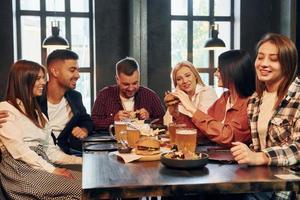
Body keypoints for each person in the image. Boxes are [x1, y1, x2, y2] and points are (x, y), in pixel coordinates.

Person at [231, 33, 299, 200]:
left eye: (273, 59)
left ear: (287, 64)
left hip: (290, 187)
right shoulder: (256, 99)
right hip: (264, 182)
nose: (264, 64)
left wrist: (262, 156)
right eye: (260, 57)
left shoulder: (297, 96)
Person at [0, 60, 81, 199]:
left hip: (41, 163)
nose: (44, 82)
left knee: (89, 184)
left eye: (43, 78)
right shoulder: (6, 108)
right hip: (20, 169)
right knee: (81, 189)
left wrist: (82, 161)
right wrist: (52, 169)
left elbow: (50, 151)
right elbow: (19, 150)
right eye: (38, 78)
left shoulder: (39, 114)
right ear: (23, 81)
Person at [168, 50, 255, 147]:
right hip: (217, 157)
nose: (215, 74)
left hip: (236, 160)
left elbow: (228, 136)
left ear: (232, 72)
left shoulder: (250, 103)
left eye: (219, 70)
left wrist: (191, 107)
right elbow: (202, 131)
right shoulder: (225, 98)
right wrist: (177, 114)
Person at [39, 49, 93, 155]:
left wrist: (84, 129)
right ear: (55, 71)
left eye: (78, 70)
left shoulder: (75, 97)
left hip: (66, 155)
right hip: (39, 158)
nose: (78, 75)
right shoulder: (34, 98)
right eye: (72, 70)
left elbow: (87, 120)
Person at [92, 57, 165, 131]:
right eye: (126, 84)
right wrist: (114, 119)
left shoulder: (150, 95)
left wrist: (148, 120)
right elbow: (94, 123)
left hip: (142, 141)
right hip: (113, 140)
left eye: (135, 83)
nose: (131, 88)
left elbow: (163, 121)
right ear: (117, 80)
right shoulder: (104, 95)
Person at [163, 61, 218, 125]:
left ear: (195, 76)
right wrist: (173, 112)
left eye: (188, 75)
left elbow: (205, 124)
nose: (185, 81)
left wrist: (187, 104)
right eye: (179, 79)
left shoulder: (208, 92)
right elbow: (167, 123)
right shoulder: (178, 97)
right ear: (176, 83)